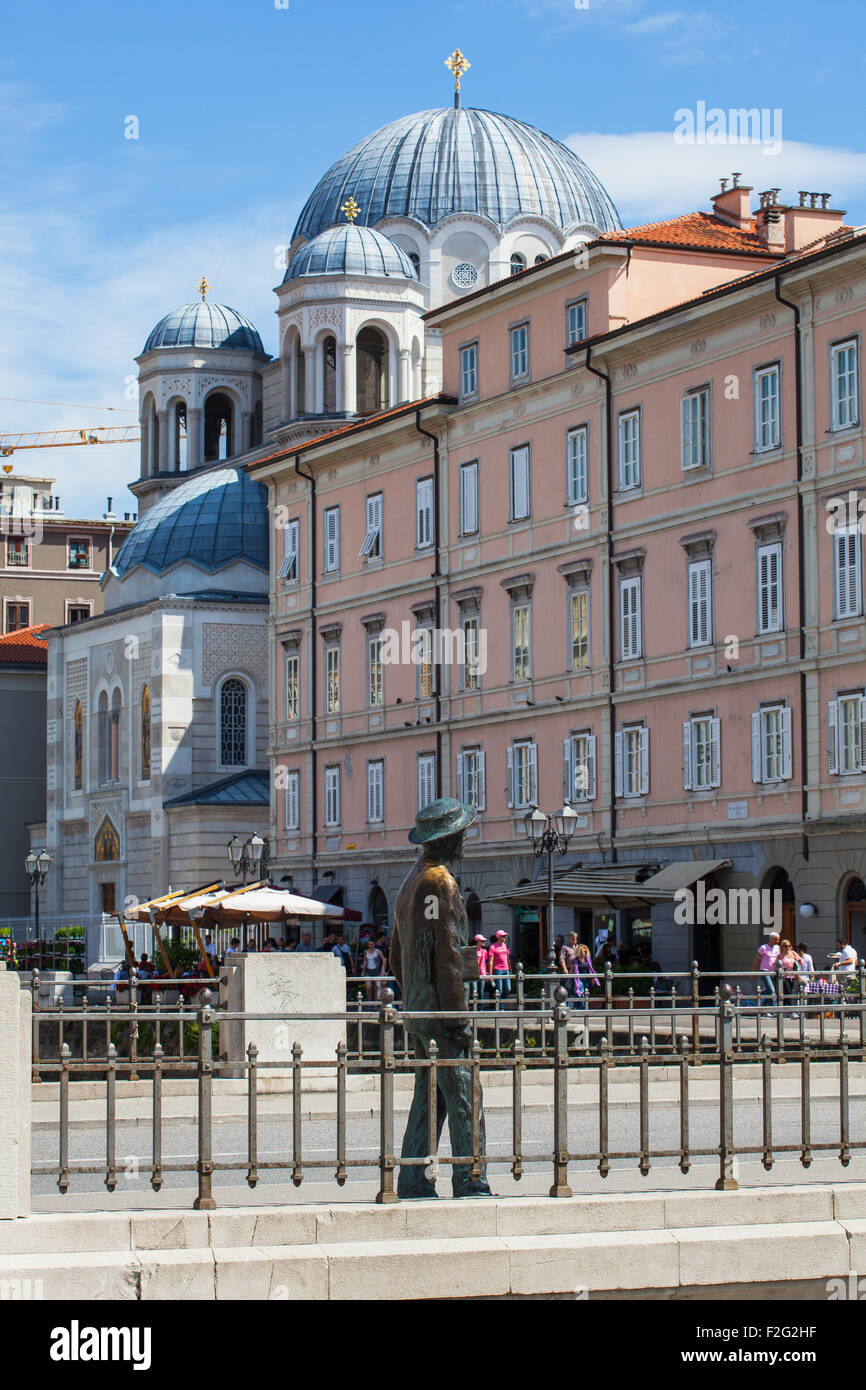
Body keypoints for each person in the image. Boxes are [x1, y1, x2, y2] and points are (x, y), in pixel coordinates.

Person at [389, 797, 491, 1199]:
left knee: (429, 1097)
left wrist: (412, 994)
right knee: (465, 1092)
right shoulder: (441, 882)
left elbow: (398, 953)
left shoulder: (410, 880)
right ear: (449, 839)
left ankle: (414, 1176)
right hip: (442, 1010)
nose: (466, 839)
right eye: (462, 833)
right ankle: (470, 1176)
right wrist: (457, 1016)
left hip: (418, 1006)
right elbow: (448, 955)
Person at [751, 932, 780, 1011]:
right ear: (771, 939)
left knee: (768, 991)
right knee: (771, 989)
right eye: (776, 940)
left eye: (778, 940)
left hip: (774, 972)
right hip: (765, 971)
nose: (777, 941)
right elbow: (756, 961)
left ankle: (765, 1009)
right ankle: (774, 1010)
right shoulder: (763, 947)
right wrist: (752, 972)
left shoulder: (777, 948)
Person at [488, 930, 512, 1010]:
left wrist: (510, 969)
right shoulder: (493, 947)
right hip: (497, 969)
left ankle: (499, 1002)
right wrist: (491, 975)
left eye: (505, 936)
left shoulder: (505, 946)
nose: (505, 937)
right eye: (503, 936)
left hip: (506, 969)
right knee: (499, 989)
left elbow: (508, 958)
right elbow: (491, 962)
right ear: (499, 937)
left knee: (508, 989)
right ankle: (500, 1007)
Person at [573, 943, 600, 1008]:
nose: (585, 953)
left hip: (587, 978)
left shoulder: (588, 959)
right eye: (583, 951)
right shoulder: (575, 960)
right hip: (579, 978)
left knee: (585, 993)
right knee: (581, 992)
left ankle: (577, 1006)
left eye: (586, 951)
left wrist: (593, 978)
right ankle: (583, 1008)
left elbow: (591, 969)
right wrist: (568, 979)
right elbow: (572, 970)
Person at [362, 936, 387, 1001]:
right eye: (369, 944)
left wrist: (382, 970)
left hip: (376, 970)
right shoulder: (366, 952)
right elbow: (365, 961)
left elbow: (384, 959)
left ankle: (375, 1002)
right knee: (368, 987)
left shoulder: (378, 951)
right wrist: (363, 969)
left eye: (372, 944)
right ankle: (369, 1002)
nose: (371, 946)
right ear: (368, 945)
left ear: (374, 944)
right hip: (368, 971)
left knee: (376, 987)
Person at [473, 933, 490, 1009]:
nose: (484, 942)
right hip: (474, 973)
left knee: (481, 990)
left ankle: (481, 1006)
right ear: (478, 941)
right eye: (482, 941)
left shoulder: (484, 951)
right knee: (474, 990)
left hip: (482, 973)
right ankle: (474, 1005)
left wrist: (487, 973)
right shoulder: (472, 950)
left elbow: (486, 963)